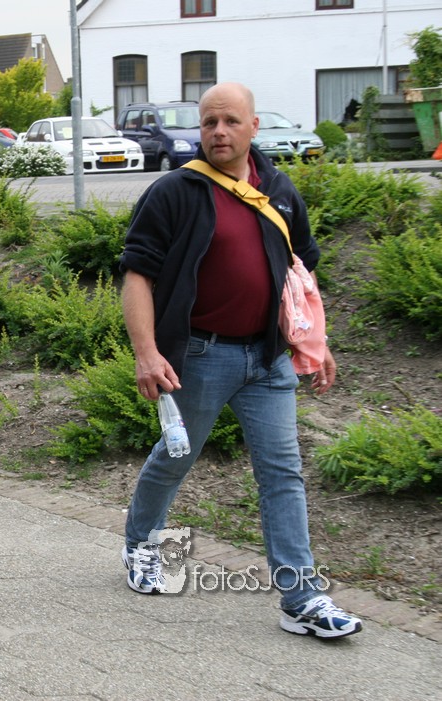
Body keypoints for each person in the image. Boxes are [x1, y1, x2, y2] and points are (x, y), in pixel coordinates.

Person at [118, 82, 362, 639]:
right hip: (202, 356)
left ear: (254, 126)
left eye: (230, 121)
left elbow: (301, 272)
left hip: (268, 359)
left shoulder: (278, 189)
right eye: (209, 122)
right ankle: (141, 545)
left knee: (282, 473)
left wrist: (315, 342)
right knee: (176, 457)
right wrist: (147, 353)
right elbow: (136, 275)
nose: (219, 132)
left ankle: (300, 598)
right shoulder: (175, 192)